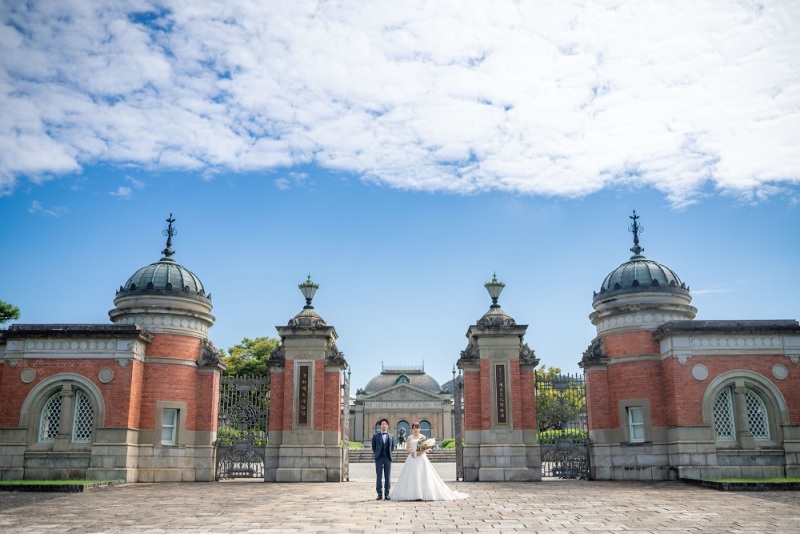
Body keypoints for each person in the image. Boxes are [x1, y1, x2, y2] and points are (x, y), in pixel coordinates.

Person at [390, 422, 468, 501]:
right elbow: (407, 447)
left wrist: (421, 452)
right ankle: (413, 493)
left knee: (423, 474)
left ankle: (423, 493)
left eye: (417, 428)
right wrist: (412, 452)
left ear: (420, 429)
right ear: (412, 429)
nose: (416, 429)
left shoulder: (422, 437)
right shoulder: (410, 437)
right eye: (414, 428)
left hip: (421, 458)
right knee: (411, 475)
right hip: (412, 458)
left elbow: (425, 447)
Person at [371, 418, 394, 500]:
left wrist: (388, 454)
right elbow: (374, 447)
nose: (384, 425)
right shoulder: (375, 436)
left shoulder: (391, 436)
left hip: (387, 458)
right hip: (379, 458)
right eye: (382, 424)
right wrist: (377, 453)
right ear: (380, 426)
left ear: (387, 426)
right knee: (379, 476)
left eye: (385, 424)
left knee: (388, 477)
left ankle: (387, 494)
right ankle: (379, 494)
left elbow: (392, 447)